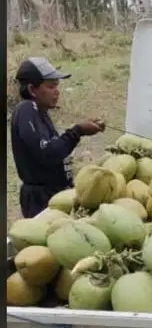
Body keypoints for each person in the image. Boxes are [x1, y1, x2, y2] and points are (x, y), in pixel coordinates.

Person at [11, 57, 106, 218]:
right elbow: (47, 153)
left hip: (55, 194)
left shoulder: (40, 112)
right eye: (51, 86)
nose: (57, 91)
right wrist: (77, 131)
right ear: (32, 90)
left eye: (57, 86)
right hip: (40, 199)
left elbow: (55, 148)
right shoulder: (26, 110)